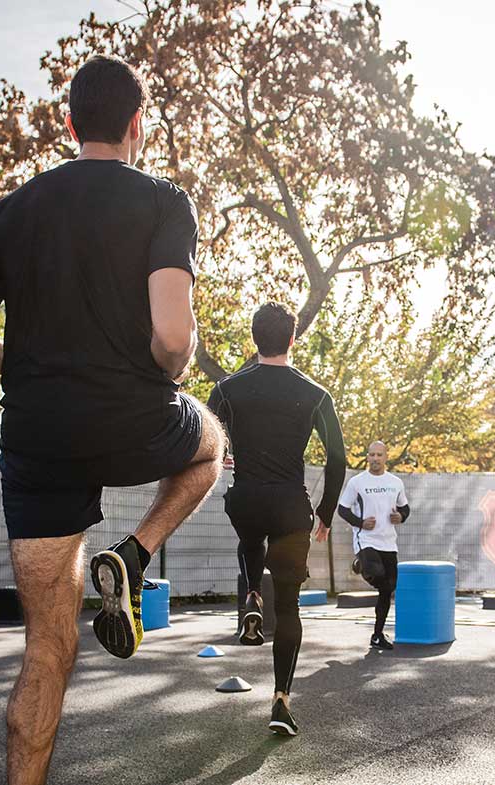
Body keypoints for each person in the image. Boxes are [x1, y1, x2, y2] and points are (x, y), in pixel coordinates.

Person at [0, 54, 224, 785]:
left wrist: (24, 360)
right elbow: (174, 338)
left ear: (69, 123)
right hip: (131, 417)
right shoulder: (162, 200)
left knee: (45, 650)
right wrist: (168, 371)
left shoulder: (15, 209)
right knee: (212, 443)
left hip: (38, 441)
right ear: (137, 126)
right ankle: (135, 552)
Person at [207, 302, 347, 736]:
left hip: (246, 499)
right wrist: (325, 513)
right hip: (291, 507)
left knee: (250, 538)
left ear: (254, 338)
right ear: (292, 338)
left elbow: (206, 438)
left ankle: (251, 594)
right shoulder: (316, 394)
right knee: (289, 607)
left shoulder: (227, 389)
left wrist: (226, 453)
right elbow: (338, 460)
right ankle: (281, 702)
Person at [336, 441, 410, 650]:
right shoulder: (357, 482)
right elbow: (342, 510)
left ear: (386, 457)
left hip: (389, 542)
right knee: (376, 574)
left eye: (379, 455)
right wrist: (360, 523)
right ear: (367, 457)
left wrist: (400, 516)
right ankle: (362, 564)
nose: (375, 458)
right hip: (366, 540)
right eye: (371, 455)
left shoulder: (395, 482)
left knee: (389, 588)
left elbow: (405, 508)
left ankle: (377, 635)